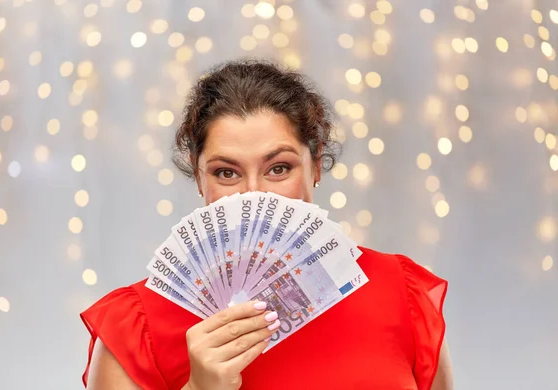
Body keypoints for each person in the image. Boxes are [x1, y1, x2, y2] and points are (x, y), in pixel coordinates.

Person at [81, 59, 454, 390]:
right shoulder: (134, 328)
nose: (255, 196)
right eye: (227, 173)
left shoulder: (403, 296)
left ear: (316, 163)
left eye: (279, 168)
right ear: (198, 177)